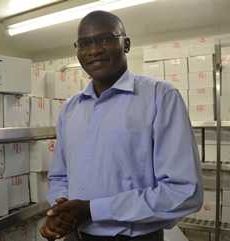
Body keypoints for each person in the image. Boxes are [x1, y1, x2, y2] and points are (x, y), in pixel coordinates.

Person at [40, 10, 203, 241]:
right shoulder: (70, 108)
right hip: (76, 235)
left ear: (126, 44)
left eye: (105, 39)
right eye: (85, 43)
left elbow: (183, 191)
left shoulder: (160, 96)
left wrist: (92, 210)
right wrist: (60, 211)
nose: (94, 50)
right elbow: (59, 176)